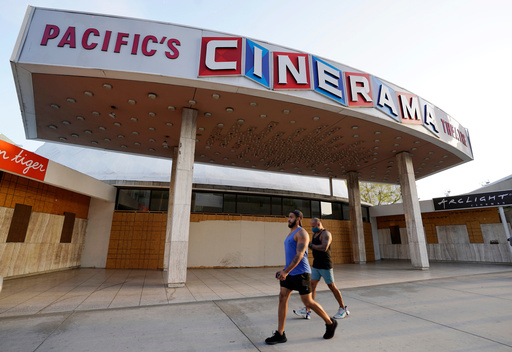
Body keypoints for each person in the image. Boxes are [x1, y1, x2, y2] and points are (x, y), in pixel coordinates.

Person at [265, 210, 338, 345]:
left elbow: (299, 255)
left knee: (308, 302)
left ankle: (330, 323)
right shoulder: (290, 234)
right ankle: (280, 334)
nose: (289, 219)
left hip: (301, 273)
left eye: (291, 217)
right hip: (290, 273)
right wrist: (284, 270)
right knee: (282, 298)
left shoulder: (302, 233)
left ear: (298, 219)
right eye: (288, 217)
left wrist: (285, 272)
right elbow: (291, 255)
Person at [293, 218, 349, 320]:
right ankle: (307, 310)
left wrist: (311, 245)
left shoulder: (326, 234)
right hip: (316, 265)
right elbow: (313, 246)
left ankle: (343, 308)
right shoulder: (315, 234)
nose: (312, 228)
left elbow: (324, 247)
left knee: (332, 286)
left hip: (325, 265)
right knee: (312, 285)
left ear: (319, 224)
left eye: (313, 226)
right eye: (311, 226)